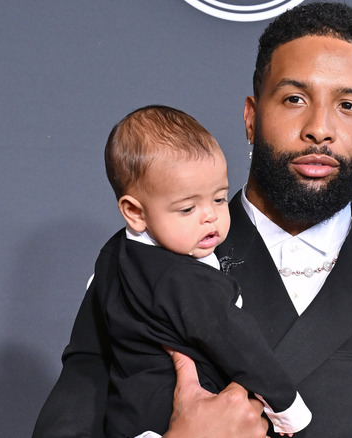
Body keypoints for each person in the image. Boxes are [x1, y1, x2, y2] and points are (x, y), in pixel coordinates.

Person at [32, 3, 352, 437]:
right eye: (294, 98)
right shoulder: (136, 263)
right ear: (251, 117)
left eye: (348, 105)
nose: (319, 128)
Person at [90, 105, 311, 436]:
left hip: (128, 416)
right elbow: (240, 345)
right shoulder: (183, 278)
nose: (210, 216)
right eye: (188, 208)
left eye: (220, 199)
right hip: (178, 414)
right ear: (135, 212)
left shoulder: (114, 255)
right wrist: (288, 410)